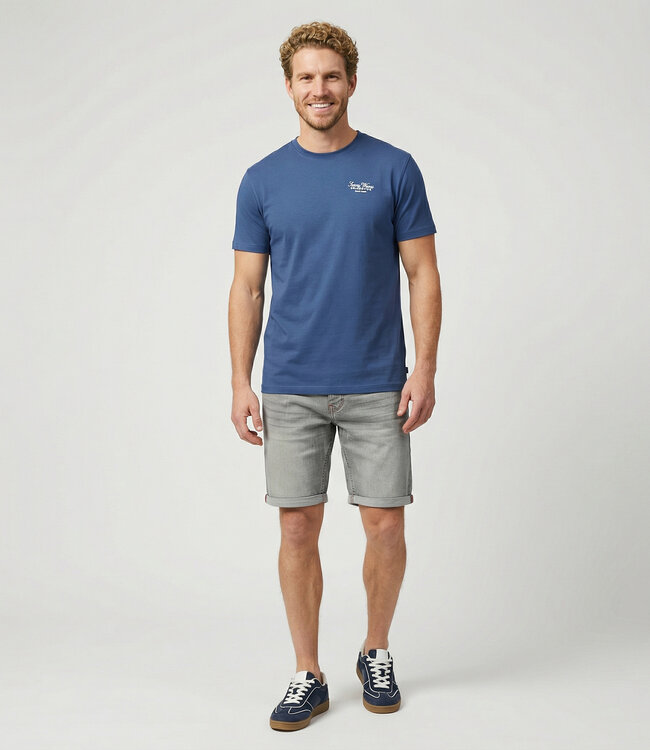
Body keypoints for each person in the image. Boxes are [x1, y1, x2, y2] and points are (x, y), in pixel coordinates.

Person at [228, 20, 442, 731]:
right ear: (288, 87)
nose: (319, 89)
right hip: (291, 383)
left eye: (330, 76)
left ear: (351, 81)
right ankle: (307, 673)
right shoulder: (262, 180)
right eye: (306, 78)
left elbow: (423, 273)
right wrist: (240, 381)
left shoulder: (393, 168)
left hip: (378, 380)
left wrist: (425, 368)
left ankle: (376, 650)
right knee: (297, 529)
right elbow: (247, 288)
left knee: (385, 525)